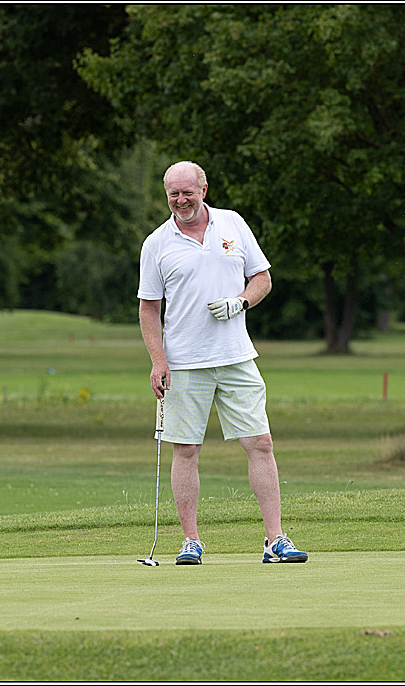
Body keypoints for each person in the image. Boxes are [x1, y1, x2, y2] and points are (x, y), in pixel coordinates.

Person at [137, 160, 308, 566]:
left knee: (260, 443)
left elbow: (262, 278)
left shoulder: (232, 224)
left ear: (204, 189)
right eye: (173, 194)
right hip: (184, 362)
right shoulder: (156, 243)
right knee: (187, 450)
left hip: (236, 357)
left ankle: (275, 539)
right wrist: (158, 361)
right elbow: (149, 309)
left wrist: (240, 302)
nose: (181, 200)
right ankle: (190, 541)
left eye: (188, 192)